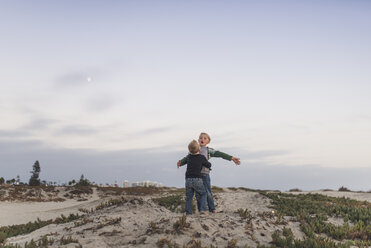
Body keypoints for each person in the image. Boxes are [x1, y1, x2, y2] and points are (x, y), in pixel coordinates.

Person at [177, 132, 240, 213]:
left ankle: (212, 208)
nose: (202, 139)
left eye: (205, 138)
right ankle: (201, 210)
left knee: (208, 192)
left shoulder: (208, 150)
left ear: (208, 141)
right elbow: (187, 159)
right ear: (198, 140)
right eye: (200, 138)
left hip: (205, 174)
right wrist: (181, 162)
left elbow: (220, 154)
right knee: (198, 194)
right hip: (196, 176)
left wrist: (231, 158)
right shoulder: (193, 149)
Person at [177, 140, 211, 215]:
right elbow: (208, 165)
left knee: (189, 197)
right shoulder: (201, 157)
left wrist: (180, 163)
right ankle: (203, 209)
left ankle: (188, 212)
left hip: (188, 179)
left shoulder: (189, 157)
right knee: (203, 193)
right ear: (199, 149)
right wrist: (208, 163)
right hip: (197, 179)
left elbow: (184, 161)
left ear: (189, 150)